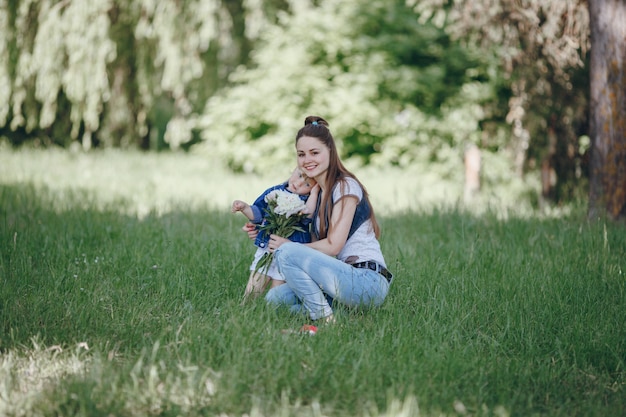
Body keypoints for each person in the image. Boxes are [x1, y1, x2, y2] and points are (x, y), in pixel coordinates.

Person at [257, 116, 393, 323]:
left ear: (330, 151)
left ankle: (324, 319)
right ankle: (348, 316)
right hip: (335, 280)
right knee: (274, 300)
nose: (307, 160)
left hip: (365, 281)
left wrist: (288, 246)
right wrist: (262, 227)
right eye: (301, 154)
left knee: (286, 252)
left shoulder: (345, 186)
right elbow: (310, 247)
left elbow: (333, 246)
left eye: (314, 152)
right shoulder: (316, 195)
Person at [232, 167, 319, 301]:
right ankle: (246, 306)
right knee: (255, 283)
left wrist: (314, 194)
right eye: (300, 175)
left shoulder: (306, 201)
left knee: (276, 293)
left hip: (287, 254)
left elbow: (308, 216)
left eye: (308, 185)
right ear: (294, 169)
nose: (300, 183)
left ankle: (269, 311)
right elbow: (258, 213)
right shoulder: (274, 192)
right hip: (267, 246)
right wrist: (245, 208)